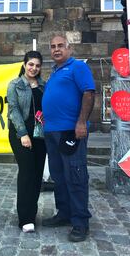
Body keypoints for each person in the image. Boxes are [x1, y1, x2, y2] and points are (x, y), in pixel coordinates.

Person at [41, 35, 95, 242]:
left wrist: (81, 122)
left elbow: (89, 93)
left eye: (60, 46)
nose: (56, 49)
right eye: (53, 47)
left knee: (76, 175)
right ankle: (64, 213)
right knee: (58, 175)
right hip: (51, 132)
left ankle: (81, 222)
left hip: (70, 132)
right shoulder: (54, 72)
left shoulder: (77, 67)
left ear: (69, 48)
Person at [7, 50, 46, 233]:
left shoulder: (43, 86)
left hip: (40, 134)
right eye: (31, 64)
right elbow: (13, 110)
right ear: (24, 64)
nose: (34, 68)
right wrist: (23, 134)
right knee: (27, 172)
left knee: (37, 174)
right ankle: (25, 218)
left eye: (37, 65)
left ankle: (33, 212)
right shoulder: (15, 84)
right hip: (20, 133)